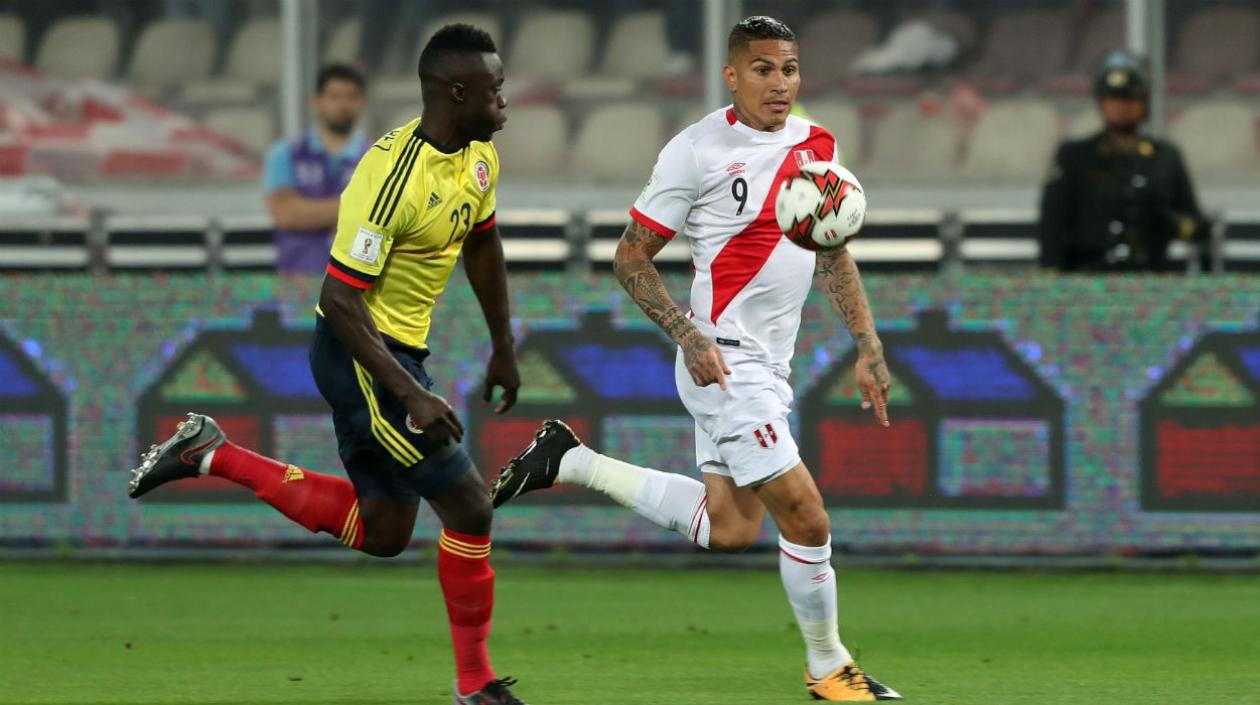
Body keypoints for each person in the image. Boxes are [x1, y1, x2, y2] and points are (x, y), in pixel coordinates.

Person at [490, 16, 901, 703]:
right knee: (807, 516)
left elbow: (831, 249)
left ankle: (569, 460)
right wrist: (687, 333)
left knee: (734, 527)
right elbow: (629, 257)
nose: (780, 83)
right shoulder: (696, 152)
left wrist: (867, 341)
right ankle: (830, 666)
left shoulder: (817, 144)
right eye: (764, 69)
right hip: (723, 361)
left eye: (790, 68)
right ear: (732, 75)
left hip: (769, 366)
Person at [130, 25, 528, 705]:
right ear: (458, 93)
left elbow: (482, 245)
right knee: (470, 504)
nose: (505, 101)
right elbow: (339, 298)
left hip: (397, 355)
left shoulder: (479, 159)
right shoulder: (388, 176)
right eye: (495, 89)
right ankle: (477, 685)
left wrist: (502, 344)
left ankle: (211, 452)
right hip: (360, 352)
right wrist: (410, 393)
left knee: (383, 531)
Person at [1039, 49, 1205, 272]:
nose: (1122, 107)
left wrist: (1167, 220)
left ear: (1144, 101)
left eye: (1131, 98)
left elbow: (1194, 223)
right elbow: (1052, 224)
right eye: (1114, 99)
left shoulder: (1165, 157)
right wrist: (1052, 274)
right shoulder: (1075, 156)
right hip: (1087, 275)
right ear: (1101, 102)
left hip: (1150, 275)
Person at [262, 64, 370, 274]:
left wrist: (309, 211)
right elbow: (287, 214)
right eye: (335, 96)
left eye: (351, 97)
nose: (342, 105)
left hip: (357, 283)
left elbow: (386, 217)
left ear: (361, 102)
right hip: (297, 278)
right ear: (317, 101)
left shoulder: (378, 156)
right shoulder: (285, 154)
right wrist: (356, 209)